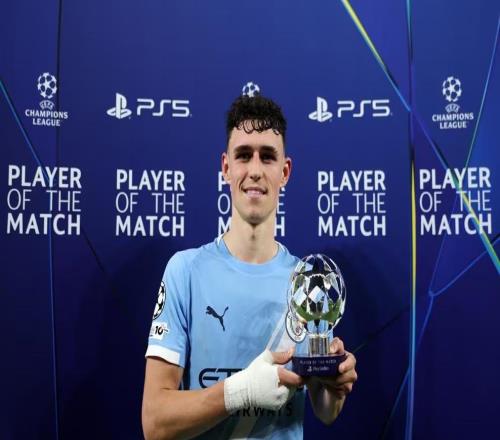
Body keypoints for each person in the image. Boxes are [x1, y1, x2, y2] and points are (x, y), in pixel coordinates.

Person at [142, 95, 357, 440]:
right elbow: (155, 422)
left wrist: (336, 383)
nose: (255, 170)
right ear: (226, 167)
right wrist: (240, 391)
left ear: (285, 171)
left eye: (267, 156)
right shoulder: (185, 272)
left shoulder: (307, 282)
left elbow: (326, 410)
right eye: (244, 155)